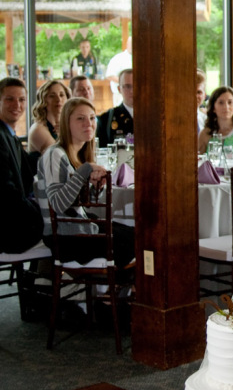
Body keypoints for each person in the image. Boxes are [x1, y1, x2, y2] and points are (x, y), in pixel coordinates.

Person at [36, 97, 134, 268]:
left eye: (91, 118)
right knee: (135, 241)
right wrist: (86, 169)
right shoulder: (55, 154)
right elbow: (58, 204)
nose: (88, 123)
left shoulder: (78, 155)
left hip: (79, 230)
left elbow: (81, 203)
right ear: (67, 123)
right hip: (65, 238)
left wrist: (97, 188)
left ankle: (125, 288)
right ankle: (124, 288)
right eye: (80, 118)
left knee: (139, 234)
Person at [0, 76, 43, 252]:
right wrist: (37, 211)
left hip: (12, 218)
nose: (16, 105)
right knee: (63, 229)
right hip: (7, 229)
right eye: (9, 99)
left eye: (22, 99)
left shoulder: (8, 134)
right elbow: (5, 189)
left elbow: (28, 166)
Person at [198, 86, 233, 155]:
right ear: (213, 108)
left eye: (230, 102)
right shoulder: (205, 134)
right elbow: (199, 162)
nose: (226, 107)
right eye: (221, 103)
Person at [27, 79, 71, 154]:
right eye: (52, 96)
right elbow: (60, 159)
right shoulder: (38, 129)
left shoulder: (66, 126)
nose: (58, 99)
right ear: (43, 101)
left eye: (61, 95)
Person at [96, 68, 133, 148]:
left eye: (135, 86)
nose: (132, 91)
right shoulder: (106, 119)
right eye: (127, 86)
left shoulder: (152, 117)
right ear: (119, 89)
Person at [105, 36, 132, 105]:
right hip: (120, 95)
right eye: (131, 43)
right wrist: (125, 83)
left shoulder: (139, 58)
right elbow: (109, 75)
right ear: (127, 44)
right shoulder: (118, 58)